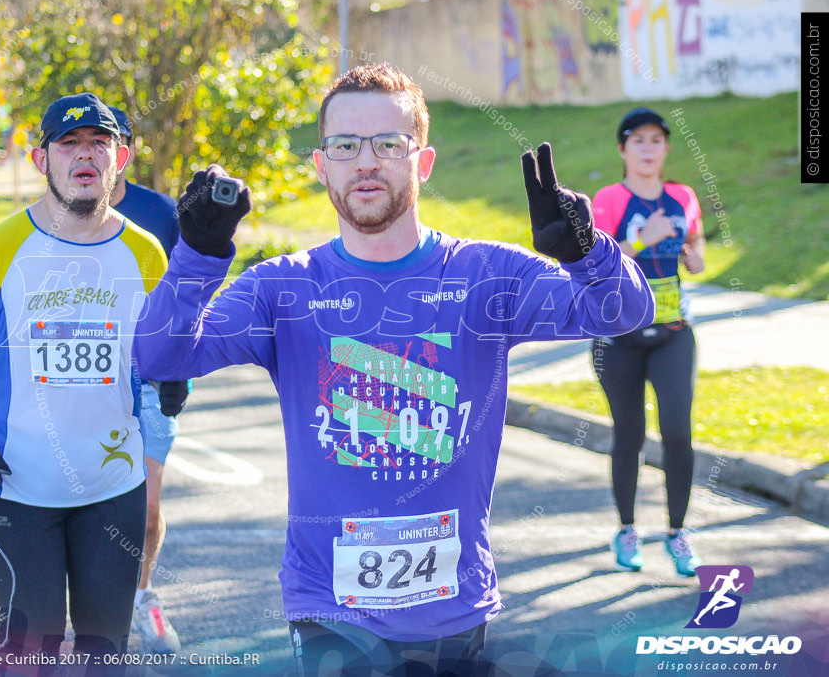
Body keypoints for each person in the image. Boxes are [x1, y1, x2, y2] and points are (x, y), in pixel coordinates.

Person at [132, 63, 655, 675]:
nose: (366, 162)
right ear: (322, 165)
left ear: (423, 162)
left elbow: (622, 313)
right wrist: (196, 256)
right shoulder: (283, 288)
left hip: (455, 608)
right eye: (345, 146)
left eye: (388, 144)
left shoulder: (487, 277)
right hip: (332, 609)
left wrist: (587, 252)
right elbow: (159, 356)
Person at [0, 92, 167, 671]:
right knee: (28, 656)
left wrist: (172, 379)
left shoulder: (145, 253)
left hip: (114, 490)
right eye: (68, 143)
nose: (84, 156)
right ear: (41, 160)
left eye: (99, 143)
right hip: (18, 489)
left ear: (122, 157)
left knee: (103, 657)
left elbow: (160, 355)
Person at [591, 107, 706, 577]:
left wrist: (691, 255)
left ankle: (678, 534)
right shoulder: (608, 199)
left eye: (656, 140)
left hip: (673, 332)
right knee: (630, 434)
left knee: (678, 432)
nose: (647, 148)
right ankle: (627, 529)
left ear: (666, 148)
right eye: (637, 140)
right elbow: (596, 263)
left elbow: (696, 249)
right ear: (623, 149)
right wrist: (642, 238)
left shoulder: (682, 195)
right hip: (617, 336)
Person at [107, 105, 188, 654]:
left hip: (151, 380)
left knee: (148, 506)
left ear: (126, 150)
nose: (95, 154)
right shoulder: (53, 214)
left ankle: (141, 596)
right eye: (80, 142)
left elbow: (187, 295)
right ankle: (88, 610)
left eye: (107, 142)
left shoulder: (159, 213)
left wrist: (180, 366)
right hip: (75, 386)